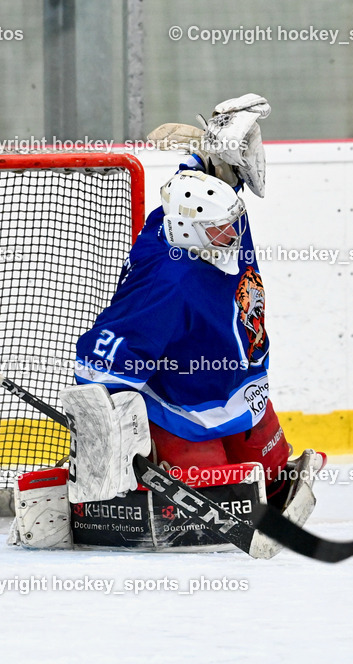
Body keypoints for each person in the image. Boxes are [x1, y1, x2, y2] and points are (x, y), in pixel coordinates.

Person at [71, 94, 297, 507]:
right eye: (221, 230)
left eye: (232, 222)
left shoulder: (210, 215)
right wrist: (104, 435)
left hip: (237, 382)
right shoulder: (166, 283)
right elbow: (100, 359)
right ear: (191, 232)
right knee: (212, 494)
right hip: (180, 402)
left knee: (274, 471)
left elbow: (204, 189)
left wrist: (211, 158)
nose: (234, 234)